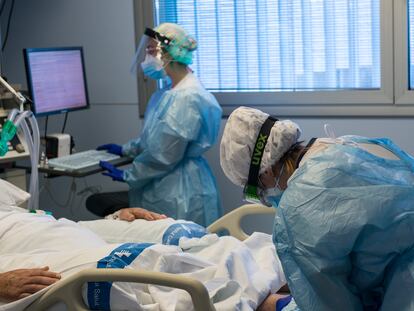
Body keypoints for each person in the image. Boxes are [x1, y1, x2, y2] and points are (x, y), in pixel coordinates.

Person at [220, 106, 414, 311]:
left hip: (404, 290)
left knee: (269, 304)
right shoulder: (343, 145)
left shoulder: (298, 209)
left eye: (257, 190)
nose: (265, 196)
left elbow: (332, 304)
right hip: (397, 277)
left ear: (266, 172)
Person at [0, 186, 288, 310]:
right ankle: (275, 303)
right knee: (134, 270)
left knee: (188, 238)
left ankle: (289, 279)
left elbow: (55, 221)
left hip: (45, 228)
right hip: (16, 252)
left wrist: (113, 220)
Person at [88, 23, 222, 227]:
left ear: (170, 53)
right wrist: (126, 149)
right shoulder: (168, 93)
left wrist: (128, 175)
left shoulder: (186, 98)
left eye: (152, 50)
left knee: (181, 250)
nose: (147, 56)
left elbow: (164, 156)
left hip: (178, 190)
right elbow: (155, 140)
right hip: (167, 183)